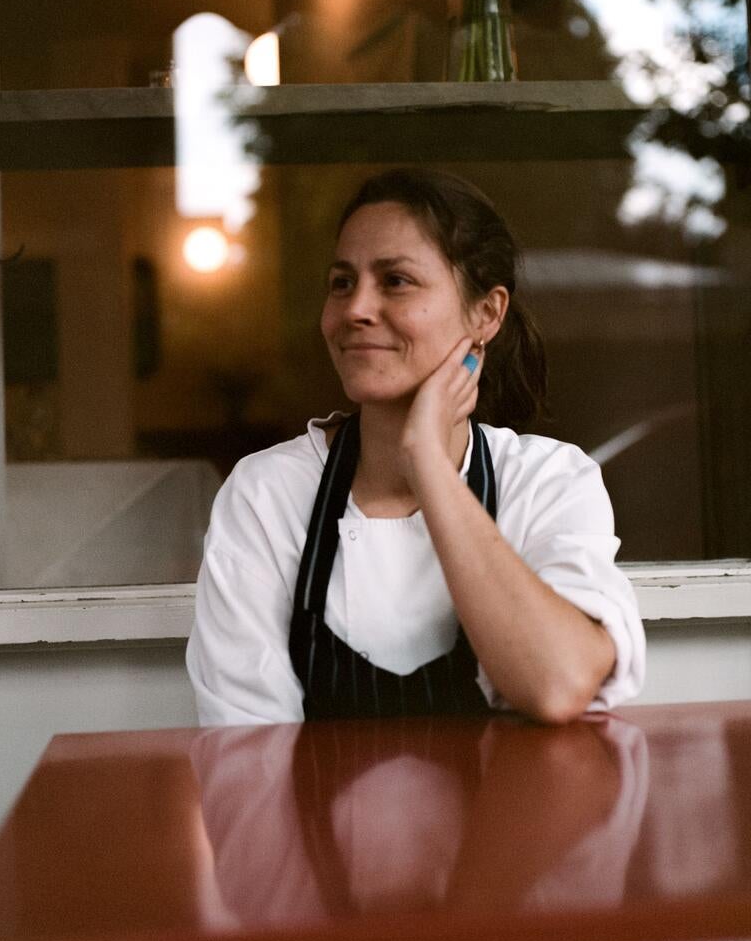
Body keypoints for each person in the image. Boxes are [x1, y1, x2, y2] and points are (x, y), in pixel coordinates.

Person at [186, 168, 645, 726]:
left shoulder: (549, 481)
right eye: (341, 282)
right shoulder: (266, 495)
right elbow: (251, 759)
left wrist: (428, 463)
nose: (356, 309)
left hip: (510, 818)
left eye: (396, 280)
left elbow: (559, 683)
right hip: (307, 818)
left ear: (487, 314)